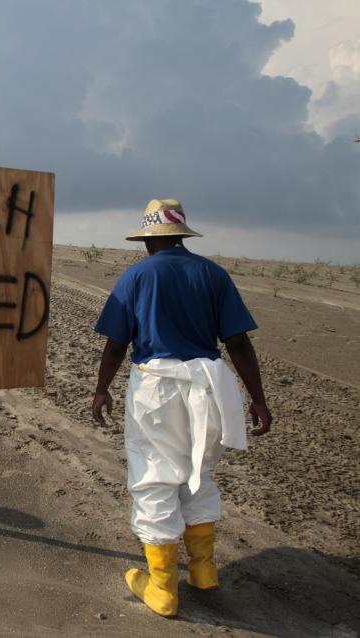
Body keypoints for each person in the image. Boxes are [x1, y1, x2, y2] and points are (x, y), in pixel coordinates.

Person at [91, 198, 272, 618]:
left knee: (154, 477)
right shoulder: (213, 274)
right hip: (210, 387)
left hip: (157, 388)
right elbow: (239, 342)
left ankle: (162, 588)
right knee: (198, 474)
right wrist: (258, 399)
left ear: (150, 240)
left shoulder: (136, 276)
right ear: (181, 236)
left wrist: (102, 389)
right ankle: (203, 571)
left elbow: (117, 343)